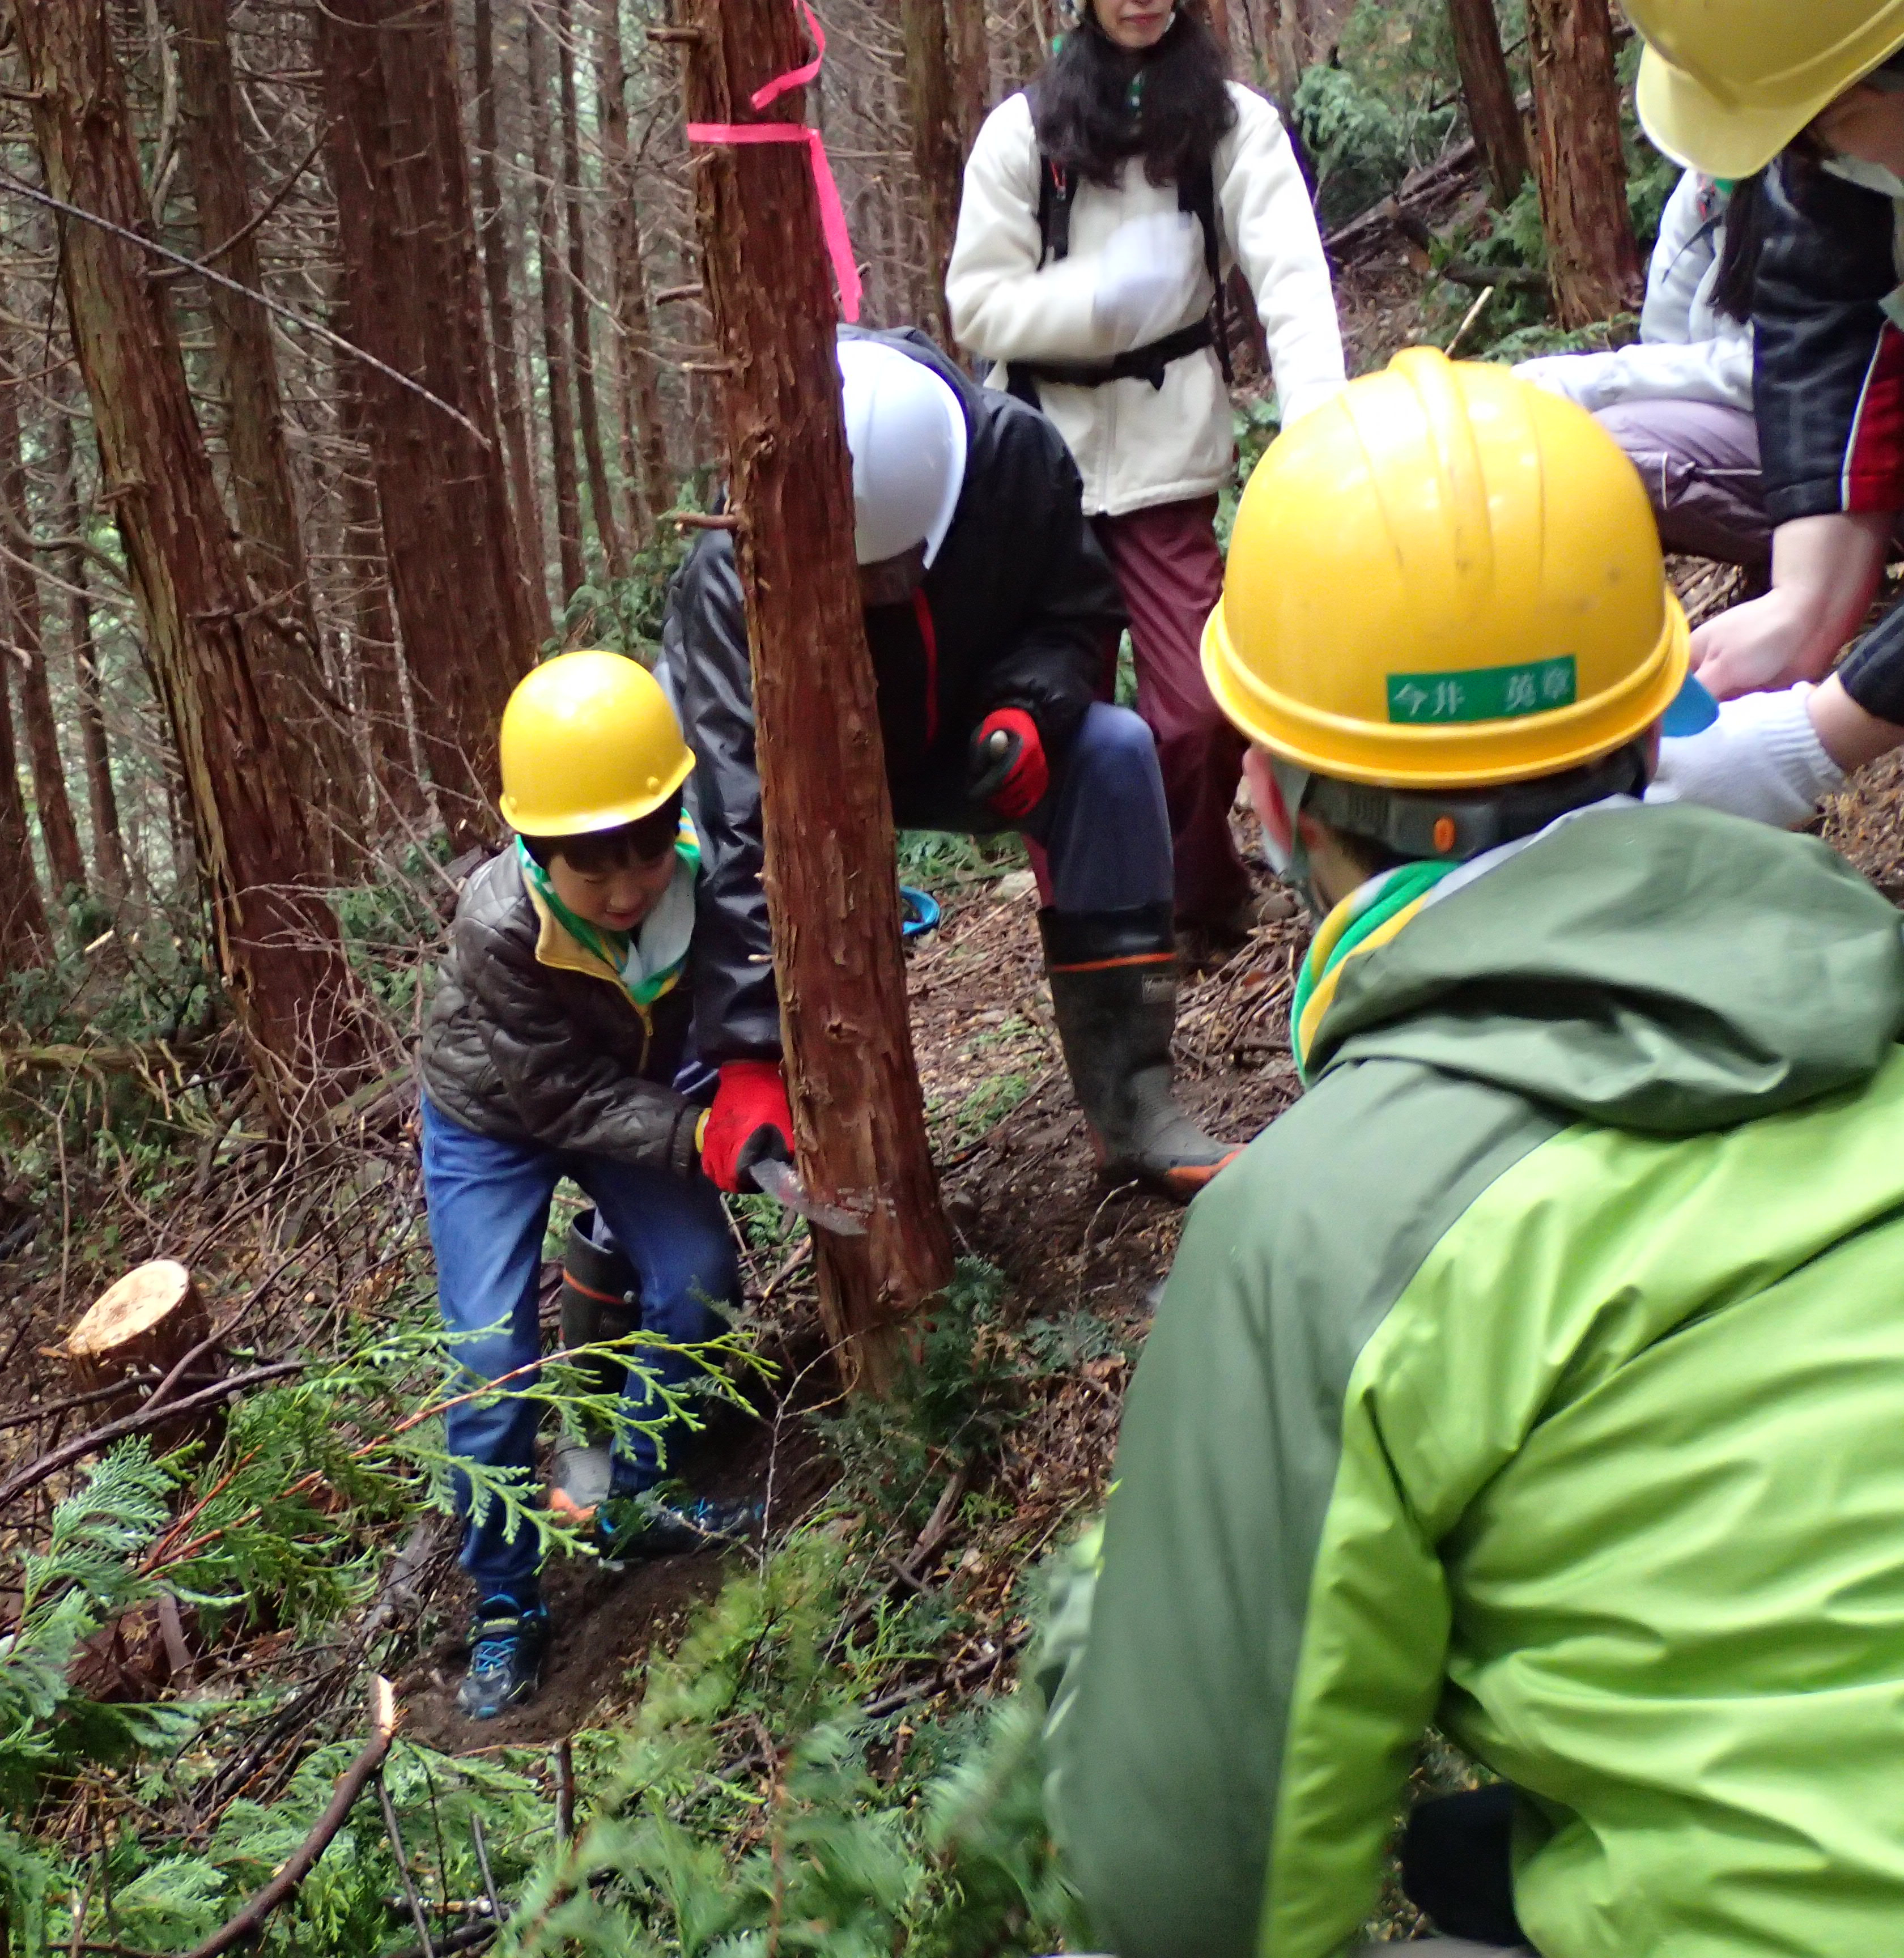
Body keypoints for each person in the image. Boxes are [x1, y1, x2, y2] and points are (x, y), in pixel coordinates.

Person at [1030, 349, 1904, 1958]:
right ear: (1662, 714)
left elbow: (1182, 1905)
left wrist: (1122, 1604)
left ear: (1278, 806)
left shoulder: (1325, 1235)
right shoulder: (1877, 1000)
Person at [662, 327, 1236, 1197]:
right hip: (807, 785)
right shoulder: (729, 565)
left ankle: (1134, 1106)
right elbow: (741, 812)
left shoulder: (1014, 457)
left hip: (970, 743)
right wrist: (747, 1044)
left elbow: (1074, 613)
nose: (876, 600)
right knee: (672, 838)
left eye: (894, 576)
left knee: (1115, 753)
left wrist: (1032, 709)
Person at [945, 0, 1344, 950]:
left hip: (1168, 462)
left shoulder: (1229, 124)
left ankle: (1195, 903)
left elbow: (1290, 282)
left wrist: (1322, 438)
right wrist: (1102, 300)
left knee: (1200, 712)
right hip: (1039, 473)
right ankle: (1091, 938)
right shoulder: (1023, 132)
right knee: (1051, 727)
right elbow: (977, 306)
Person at [416, 650, 756, 1721]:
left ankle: (636, 1488)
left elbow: (751, 974)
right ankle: (508, 1600)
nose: (624, 892)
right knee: (490, 1358)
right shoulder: (497, 927)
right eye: (592, 871)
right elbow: (558, 1099)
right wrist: (697, 1130)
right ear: (534, 848)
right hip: (496, 1119)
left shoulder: (708, 867)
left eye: (646, 858)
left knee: (698, 1273)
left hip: (630, 1092)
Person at [1620, 2, 1904, 823]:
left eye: (1834, 120)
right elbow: (1824, 307)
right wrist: (1802, 605)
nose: (1816, 155)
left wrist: (1816, 735)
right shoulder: (1837, 161)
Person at [1515, 170, 1766, 569]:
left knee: (1602, 452)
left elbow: (1776, 368)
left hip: (1837, 436)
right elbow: (1664, 346)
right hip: (1751, 425)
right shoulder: (1703, 190)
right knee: (1568, 445)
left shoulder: (1816, 185)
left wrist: (1587, 385)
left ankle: (1819, 565)